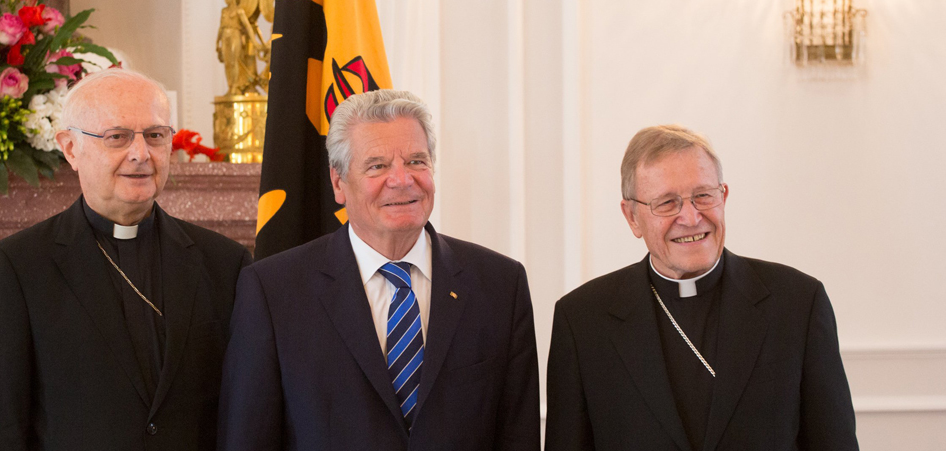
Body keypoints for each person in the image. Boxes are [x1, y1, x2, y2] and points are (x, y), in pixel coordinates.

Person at [218, 89, 540, 450]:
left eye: (416, 161)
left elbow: (519, 436)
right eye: (378, 166)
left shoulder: (501, 285)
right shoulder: (273, 291)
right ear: (338, 183)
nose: (402, 180)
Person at [0, 69, 253, 451]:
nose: (141, 154)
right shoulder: (18, 267)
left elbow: (247, 413)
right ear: (71, 149)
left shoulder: (226, 263)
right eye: (117, 136)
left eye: (155, 135)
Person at [545, 125, 858, 450]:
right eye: (667, 203)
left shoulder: (797, 304)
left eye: (703, 196)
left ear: (724, 197)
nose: (691, 217)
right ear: (632, 217)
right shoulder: (582, 321)